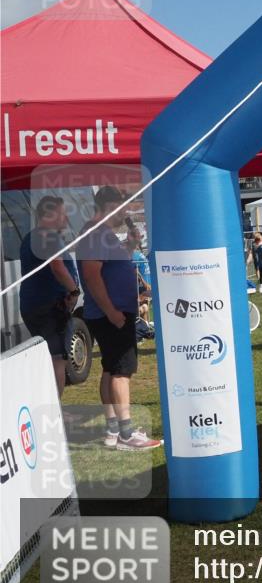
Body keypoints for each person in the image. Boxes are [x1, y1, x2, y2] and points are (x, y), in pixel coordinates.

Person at [77, 187, 161, 451]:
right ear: (109, 205)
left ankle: (114, 429)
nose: (126, 212)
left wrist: (131, 246)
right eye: (123, 207)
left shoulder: (104, 234)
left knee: (111, 368)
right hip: (110, 314)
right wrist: (112, 312)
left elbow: (114, 263)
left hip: (113, 312)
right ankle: (126, 433)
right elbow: (91, 275)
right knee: (122, 371)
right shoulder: (94, 233)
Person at [18, 195, 81, 397]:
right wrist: (74, 290)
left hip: (34, 305)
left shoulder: (30, 237)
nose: (65, 219)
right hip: (48, 307)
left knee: (47, 358)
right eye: (62, 214)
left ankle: (50, 407)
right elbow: (57, 266)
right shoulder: (48, 235)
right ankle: (55, 413)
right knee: (56, 359)